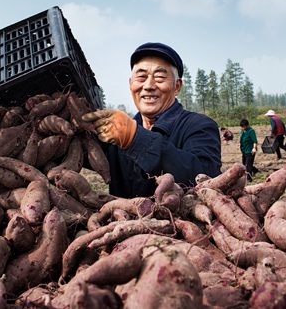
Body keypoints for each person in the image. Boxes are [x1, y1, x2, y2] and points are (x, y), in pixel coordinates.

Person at [82, 42, 222, 198]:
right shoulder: (115, 133)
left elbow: (207, 179)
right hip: (121, 221)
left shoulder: (199, 125)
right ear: (131, 85)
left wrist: (136, 139)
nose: (148, 85)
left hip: (176, 221)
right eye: (141, 77)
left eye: (160, 77)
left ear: (177, 86)